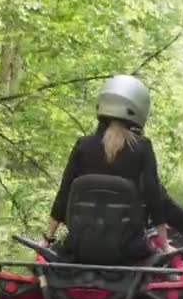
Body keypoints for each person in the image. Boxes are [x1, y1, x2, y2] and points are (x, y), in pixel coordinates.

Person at [41, 74, 170, 256]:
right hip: (128, 250)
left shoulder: (83, 145)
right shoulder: (142, 148)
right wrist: (164, 246)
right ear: (139, 108)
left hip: (79, 247)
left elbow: (64, 193)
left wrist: (47, 238)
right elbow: (153, 196)